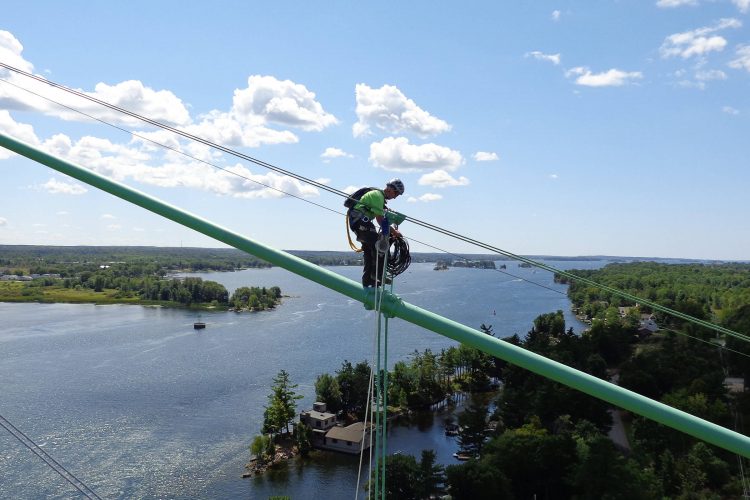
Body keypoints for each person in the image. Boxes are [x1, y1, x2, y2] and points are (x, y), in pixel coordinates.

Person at [348, 178, 405, 287]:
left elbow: (381, 218)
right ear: (390, 189)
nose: (395, 197)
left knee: (369, 251)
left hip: (359, 223)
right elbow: (379, 220)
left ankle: (368, 280)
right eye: (396, 194)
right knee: (381, 247)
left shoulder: (379, 198)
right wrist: (394, 232)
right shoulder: (378, 196)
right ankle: (378, 277)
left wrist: (388, 229)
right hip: (361, 222)